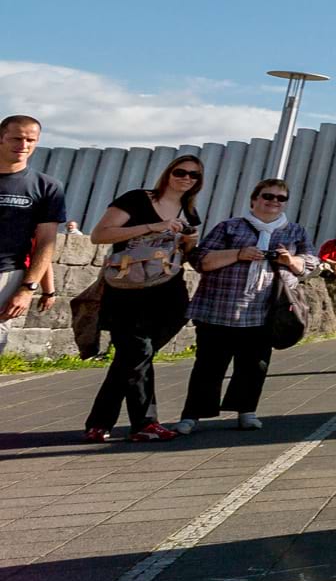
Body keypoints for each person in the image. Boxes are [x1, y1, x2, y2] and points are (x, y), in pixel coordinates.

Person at [82, 155, 202, 443]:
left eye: (194, 175)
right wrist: (151, 227)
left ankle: (100, 423)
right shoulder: (137, 199)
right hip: (127, 288)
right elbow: (100, 235)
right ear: (168, 173)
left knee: (134, 357)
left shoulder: (189, 212)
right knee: (137, 352)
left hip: (169, 292)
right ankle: (144, 423)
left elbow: (186, 252)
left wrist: (189, 241)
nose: (186, 178)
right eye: (180, 172)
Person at [179, 178, 311, 435]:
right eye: (267, 196)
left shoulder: (295, 231)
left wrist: (290, 260)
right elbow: (199, 259)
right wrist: (238, 254)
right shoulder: (229, 227)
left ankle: (246, 411)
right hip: (219, 307)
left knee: (255, 365)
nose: (273, 201)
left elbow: (310, 263)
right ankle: (192, 415)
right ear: (254, 200)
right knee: (208, 366)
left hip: (265, 309)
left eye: (280, 198)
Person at [0, 116, 66, 357]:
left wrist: (28, 289)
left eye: (31, 140)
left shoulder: (47, 186)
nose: (24, 145)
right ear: (1, 138)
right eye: (17, 138)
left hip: (6, 274)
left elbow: (46, 243)